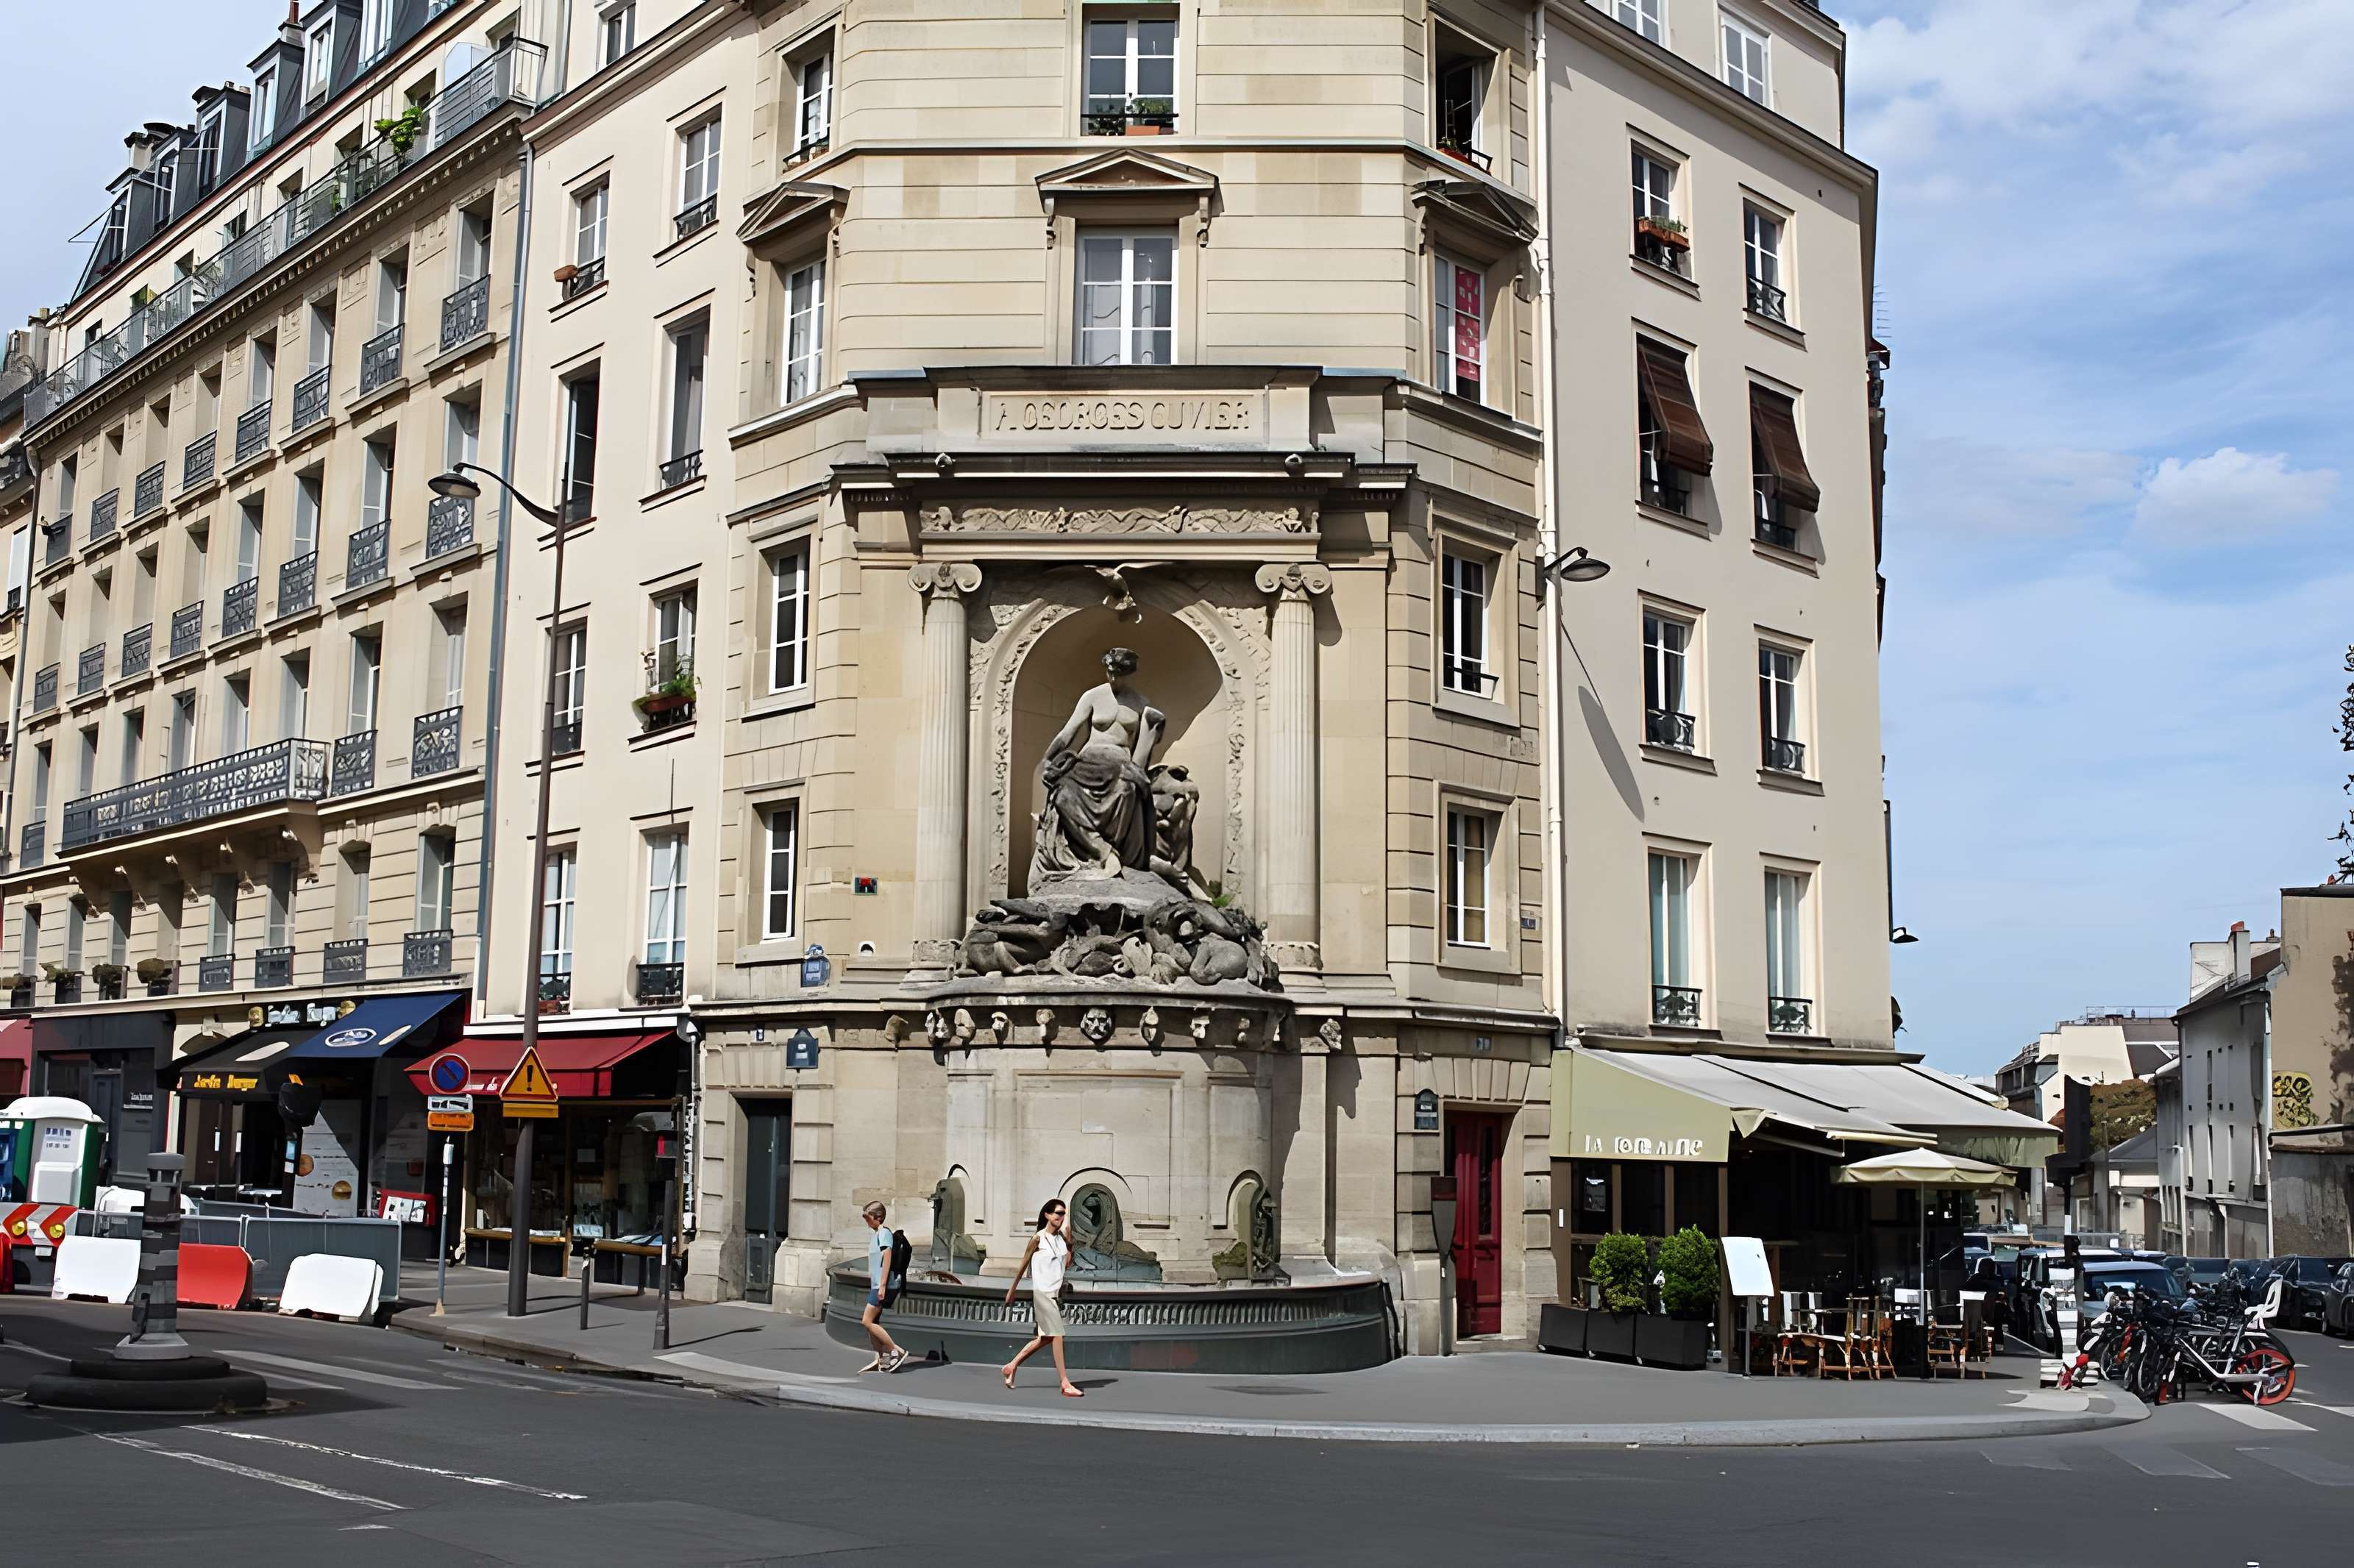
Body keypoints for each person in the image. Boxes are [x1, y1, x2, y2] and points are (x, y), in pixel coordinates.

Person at [1000, 1198, 1083, 1397]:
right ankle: (1065, 1382)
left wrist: (1070, 1245)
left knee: (1045, 1338)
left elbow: (1067, 1265)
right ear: (1047, 1214)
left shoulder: (1061, 1239)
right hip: (1043, 1293)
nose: (1061, 1217)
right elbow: (1023, 1265)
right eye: (1057, 1213)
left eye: (1063, 1213)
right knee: (1058, 1335)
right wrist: (1012, 1290)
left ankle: (1011, 1366)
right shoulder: (1038, 1238)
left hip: (1055, 1294)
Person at [858, 1200, 907, 1373]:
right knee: (874, 1322)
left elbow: (887, 1257)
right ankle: (882, 1358)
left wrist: (883, 1286)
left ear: (878, 1217)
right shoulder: (877, 1234)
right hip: (878, 1284)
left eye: (868, 1218)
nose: (866, 1222)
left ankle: (896, 1351)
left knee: (867, 1321)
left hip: (883, 1285)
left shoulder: (884, 1234)